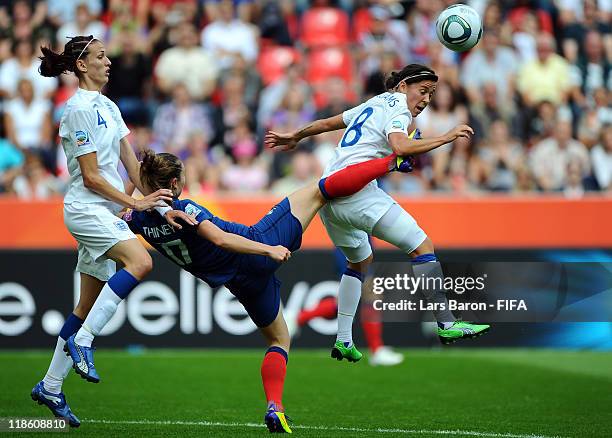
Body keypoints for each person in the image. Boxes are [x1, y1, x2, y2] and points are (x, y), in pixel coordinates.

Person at [123, 149, 399, 433]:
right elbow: (220, 238)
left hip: (241, 282)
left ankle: (274, 407)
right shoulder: (186, 209)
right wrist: (268, 249)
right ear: (174, 185)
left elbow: (123, 211)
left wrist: (135, 184)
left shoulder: (141, 221)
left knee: (280, 339)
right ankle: (390, 162)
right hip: (257, 246)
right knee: (320, 188)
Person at [266, 64, 491, 363]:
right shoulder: (399, 106)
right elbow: (401, 147)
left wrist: (296, 135)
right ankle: (447, 323)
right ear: (402, 87)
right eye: (422, 91)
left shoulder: (375, 102)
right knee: (422, 246)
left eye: (431, 94)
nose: (425, 100)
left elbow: (327, 123)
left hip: (329, 196)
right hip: (356, 191)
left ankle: (344, 339)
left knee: (359, 261)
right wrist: (446, 138)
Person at [30, 35, 196, 427]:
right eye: (102, 57)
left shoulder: (109, 106)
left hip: (104, 210)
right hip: (86, 210)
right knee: (140, 261)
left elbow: (133, 167)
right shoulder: (76, 110)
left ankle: (50, 386)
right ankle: (84, 341)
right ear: (82, 65)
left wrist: (156, 203)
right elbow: (89, 177)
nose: (109, 62)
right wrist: (135, 204)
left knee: (85, 304)